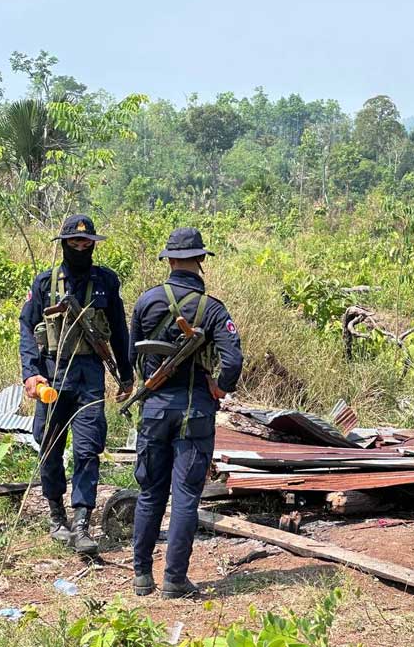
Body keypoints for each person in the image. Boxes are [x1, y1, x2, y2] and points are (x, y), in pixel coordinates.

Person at [129, 227, 243, 599]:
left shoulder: (146, 302)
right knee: (185, 497)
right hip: (195, 411)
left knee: (150, 493)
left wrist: (150, 381)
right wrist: (221, 387)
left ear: (169, 259)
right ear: (200, 261)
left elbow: (133, 355)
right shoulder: (212, 308)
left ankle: (141, 576)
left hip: (155, 410)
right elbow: (233, 359)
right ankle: (174, 580)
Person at [19, 214, 134, 555]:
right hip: (53, 376)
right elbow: (28, 329)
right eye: (75, 243)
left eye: (87, 243)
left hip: (89, 377)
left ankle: (82, 521)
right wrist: (30, 373)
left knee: (88, 450)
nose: (81, 248)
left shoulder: (106, 282)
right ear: (65, 244)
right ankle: (57, 516)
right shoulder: (44, 283)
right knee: (49, 446)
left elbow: (119, 328)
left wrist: (126, 376)